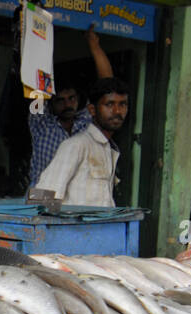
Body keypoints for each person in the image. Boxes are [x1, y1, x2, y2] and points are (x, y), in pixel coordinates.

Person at [26, 25, 115, 186]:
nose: (67, 104)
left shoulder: (87, 121)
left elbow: (107, 87)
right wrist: (39, 27)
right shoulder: (40, 123)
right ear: (51, 104)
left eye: (71, 98)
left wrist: (93, 46)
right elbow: (36, 86)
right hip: (41, 195)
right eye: (60, 100)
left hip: (76, 197)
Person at [32, 76, 129, 207]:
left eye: (122, 104)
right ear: (92, 110)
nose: (117, 111)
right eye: (109, 104)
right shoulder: (75, 145)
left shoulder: (107, 148)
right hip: (74, 227)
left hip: (99, 227)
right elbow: (41, 199)